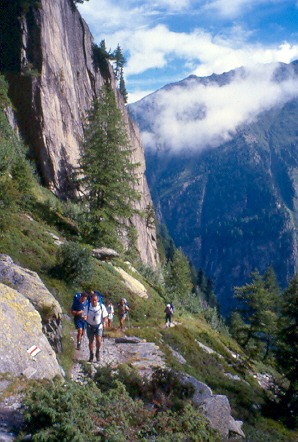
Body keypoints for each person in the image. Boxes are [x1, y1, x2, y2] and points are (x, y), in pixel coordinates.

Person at [83, 293, 108, 362]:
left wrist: (105, 322)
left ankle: (97, 352)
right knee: (91, 341)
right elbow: (84, 314)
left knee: (99, 341)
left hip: (99, 326)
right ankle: (91, 354)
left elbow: (105, 316)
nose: (94, 301)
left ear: (97, 300)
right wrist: (84, 317)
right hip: (89, 326)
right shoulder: (87, 307)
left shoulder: (101, 306)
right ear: (91, 300)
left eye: (95, 300)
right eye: (93, 300)